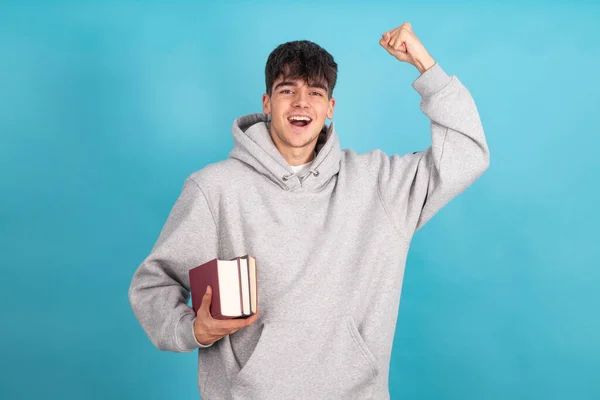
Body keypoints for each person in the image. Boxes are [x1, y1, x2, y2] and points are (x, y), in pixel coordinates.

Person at [128, 22, 490, 400]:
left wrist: (424, 65)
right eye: (288, 90)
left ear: (330, 108)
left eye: (315, 93)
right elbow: (153, 284)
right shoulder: (216, 188)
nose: (302, 103)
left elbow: (467, 155)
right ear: (266, 103)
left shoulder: (380, 183)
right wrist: (191, 330)